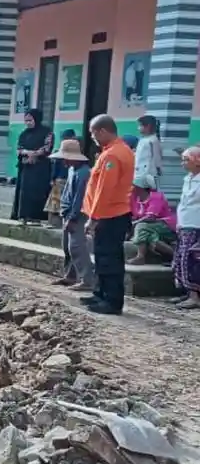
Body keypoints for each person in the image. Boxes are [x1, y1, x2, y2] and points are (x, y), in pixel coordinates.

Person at [82, 114, 135, 315]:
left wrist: (93, 218)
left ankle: (111, 301)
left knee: (108, 258)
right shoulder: (117, 150)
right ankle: (100, 294)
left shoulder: (113, 155)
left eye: (93, 133)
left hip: (110, 213)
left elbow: (105, 190)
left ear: (102, 131)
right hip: (112, 213)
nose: (92, 137)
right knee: (104, 256)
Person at [49, 138, 94, 292]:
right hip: (68, 212)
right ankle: (71, 275)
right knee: (67, 247)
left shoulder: (83, 173)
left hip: (77, 214)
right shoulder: (72, 170)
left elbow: (79, 198)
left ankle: (87, 279)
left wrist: (73, 218)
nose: (64, 162)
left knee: (77, 247)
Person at [11, 108, 54, 224]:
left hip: (41, 169)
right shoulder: (24, 134)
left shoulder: (47, 132)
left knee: (38, 192)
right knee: (25, 192)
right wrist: (28, 153)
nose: (28, 123)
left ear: (36, 119)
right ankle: (24, 216)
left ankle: (37, 217)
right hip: (26, 167)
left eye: (30, 120)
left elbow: (47, 148)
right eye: (26, 121)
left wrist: (35, 154)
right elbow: (19, 149)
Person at [173, 147, 200, 310]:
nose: (183, 163)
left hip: (196, 224)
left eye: (186, 160)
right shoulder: (188, 179)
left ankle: (195, 296)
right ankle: (188, 292)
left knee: (191, 259)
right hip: (185, 223)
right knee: (181, 257)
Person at [129, 173, 176, 265]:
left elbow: (151, 217)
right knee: (151, 238)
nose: (131, 187)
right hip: (152, 228)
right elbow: (133, 215)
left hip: (166, 225)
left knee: (141, 226)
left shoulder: (156, 197)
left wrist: (134, 223)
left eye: (133, 185)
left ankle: (140, 256)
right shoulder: (135, 199)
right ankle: (176, 256)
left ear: (140, 187)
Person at [45, 128, 77, 229]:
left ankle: (52, 223)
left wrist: (52, 179)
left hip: (60, 180)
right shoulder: (75, 152)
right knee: (62, 202)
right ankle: (58, 223)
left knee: (55, 203)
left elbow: (55, 168)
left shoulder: (60, 152)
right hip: (66, 180)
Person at [134, 114, 163, 189]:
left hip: (148, 174)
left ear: (148, 126)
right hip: (138, 173)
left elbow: (157, 157)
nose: (138, 128)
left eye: (140, 125)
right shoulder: (142, 140)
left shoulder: (153, 140)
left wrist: (158, 169)